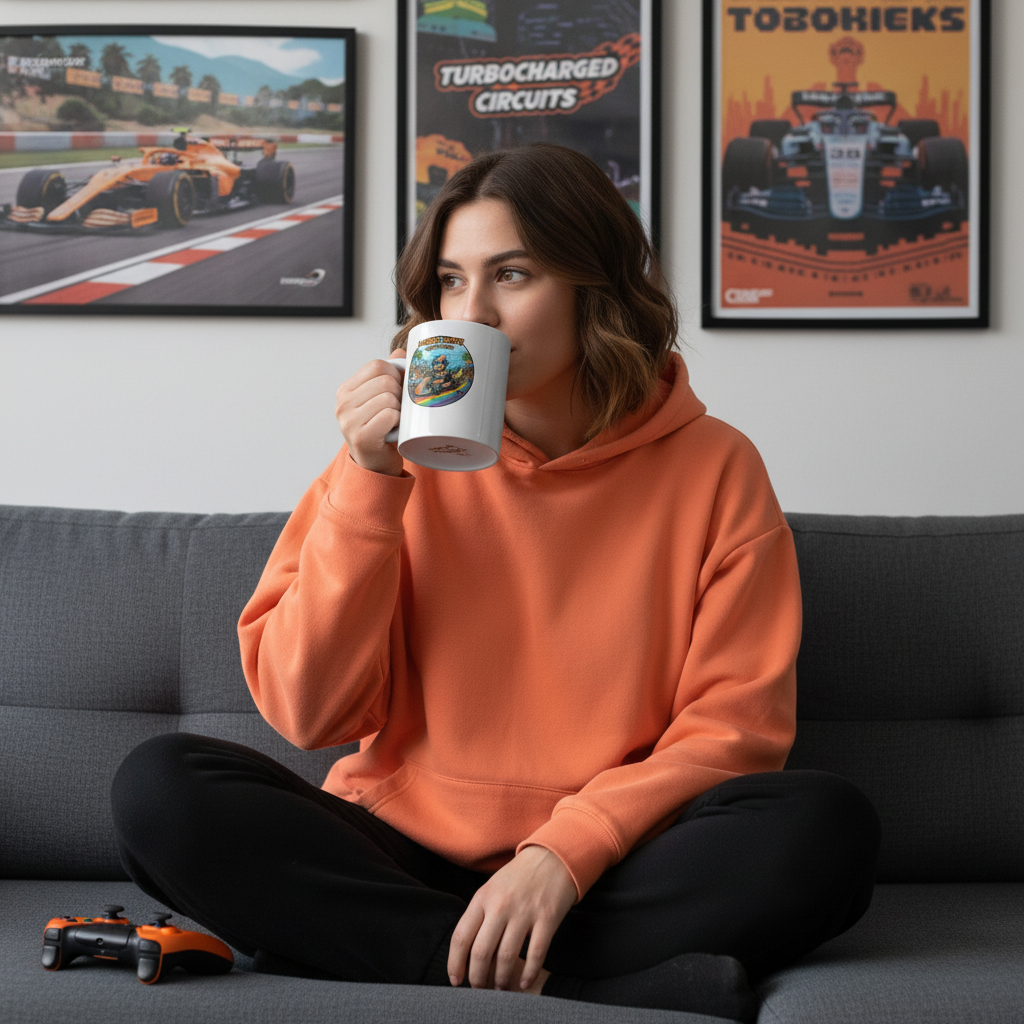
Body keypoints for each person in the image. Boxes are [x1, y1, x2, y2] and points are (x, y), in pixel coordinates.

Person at [111, 143, 879, 1021]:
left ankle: (413, 950)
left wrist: (562, 854)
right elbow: (309, 713)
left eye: (511, 275)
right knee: (160, 788)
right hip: (400, 848)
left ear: (594, 285)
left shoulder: (717, 467)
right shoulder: (381, 463)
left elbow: (735, 730)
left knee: (827, 828)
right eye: (449, 282)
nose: (472, 314)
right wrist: (373, 482)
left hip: (605, 863)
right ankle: (585, 986)